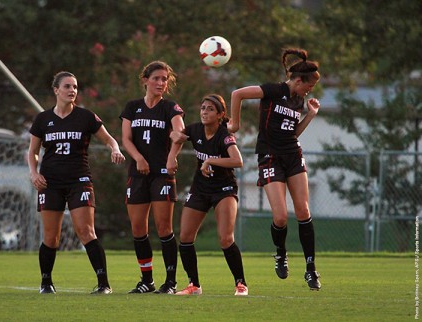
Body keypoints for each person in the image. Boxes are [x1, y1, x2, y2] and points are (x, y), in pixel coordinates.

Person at [229, 48, 322, 290]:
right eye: (308, 87)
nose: (308, 91)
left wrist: (310, 116)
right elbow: (237, 93)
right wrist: (235, 123)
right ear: (298, 80)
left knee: (303, 210)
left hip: (293, 156)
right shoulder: (272, 90)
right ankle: (281, 253)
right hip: (269, 157)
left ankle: (311, 269)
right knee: (280, 216)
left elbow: (293, 133)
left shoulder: (299, 101)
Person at [28, 71, 125, 294]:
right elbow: (33, 152)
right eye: (67, 86)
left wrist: (115, 148)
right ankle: (46, 283)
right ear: (56, 90)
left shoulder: (86, 117)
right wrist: (34, 173)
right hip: (50, 183)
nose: (72, 90)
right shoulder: (43, 119)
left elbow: (109, 139)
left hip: (79, 181)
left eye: (75, 87)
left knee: (86, 231)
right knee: (51, 236)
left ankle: (103, 284)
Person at [170, 94, 249, 296]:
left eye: (210, 109)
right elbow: (177, 136)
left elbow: (237, 161)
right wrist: (172, 154)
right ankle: (194, 285)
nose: (205, 112)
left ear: (221, 114)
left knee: (225, 239)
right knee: (185, 237)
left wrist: (210, 161)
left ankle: (241, 283)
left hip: (224, 190)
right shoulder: (195, 129)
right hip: (200, 189)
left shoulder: (224, 135)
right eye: (203, 108)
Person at [120, 61, 185, 294]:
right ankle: (146, 280)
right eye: (156, 78)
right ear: (145, 80)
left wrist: (173, 152)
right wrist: (138, 158)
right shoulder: (132, 107)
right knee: (138, 228)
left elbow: (178, 132)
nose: (160, 83)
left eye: (164, 79)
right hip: (137, 174)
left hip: (162, 175)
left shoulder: (170, 107)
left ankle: (170, 282)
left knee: (164, 227)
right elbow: (126, 138)